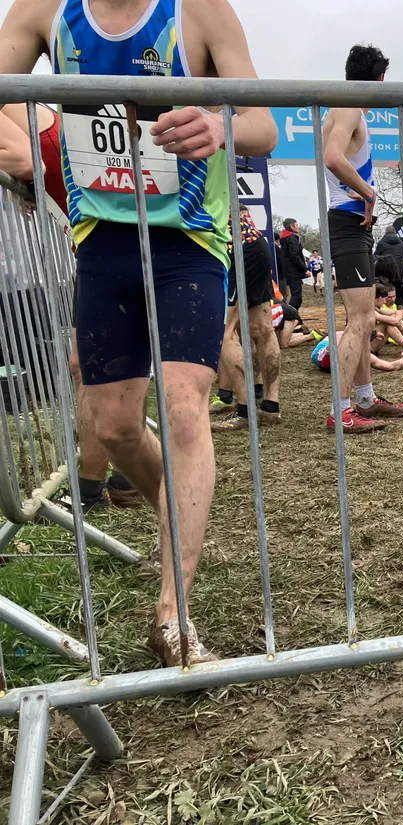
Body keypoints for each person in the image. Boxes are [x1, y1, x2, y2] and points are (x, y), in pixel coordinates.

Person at [0, 0, 279, 665]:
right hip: (103, 242)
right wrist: (25, 161)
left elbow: (265, 125)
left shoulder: (199, 12)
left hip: (189, 241)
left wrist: (219, 124)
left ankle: (173, 618)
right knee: (115, 425)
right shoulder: (43, 12)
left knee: (184, 411)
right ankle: (177, 512)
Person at [0, 101, 141, 510]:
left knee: (97, 369)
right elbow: (35, 166)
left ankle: (99, 487)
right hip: (104, 239)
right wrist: (31, 187)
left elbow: (27, 160)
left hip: (119, 240)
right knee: (92, 367)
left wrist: (27, 179)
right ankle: (111, 481)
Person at [322, 43, 403, 434]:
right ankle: (340, 410)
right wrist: (369, 193)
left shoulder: (346, 108)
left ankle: (364, 398)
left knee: (362, 317)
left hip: (352, 223)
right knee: (360, 320)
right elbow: (332, 157)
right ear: (379, 79)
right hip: (347, 220)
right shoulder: (348, 108)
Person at [212, 205, 283, 432]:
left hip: (236, 249)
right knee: (263, 329)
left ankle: (245, 410)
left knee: (225, 331)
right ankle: (271, 407)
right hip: (256, 244)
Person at [374, 223, 403, 307]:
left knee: (385, 290)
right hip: (400, 269)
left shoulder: (381, 243)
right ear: (395, 233)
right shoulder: (402, 244)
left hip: (385, 270)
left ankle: (384, 306)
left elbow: (376, 257)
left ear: (385, 233)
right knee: (400, 288)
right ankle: (401, 304)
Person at [279, 218, 308, 310]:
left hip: (288, 270)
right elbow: (294, 256)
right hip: (293, 271)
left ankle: (292, 314)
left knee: (295, 295)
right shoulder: (291, 239)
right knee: (297, 297)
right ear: (291, 226)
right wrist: (304, 269)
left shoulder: (284, 238)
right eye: (296, 225)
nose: (298, 226)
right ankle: (290, 315)